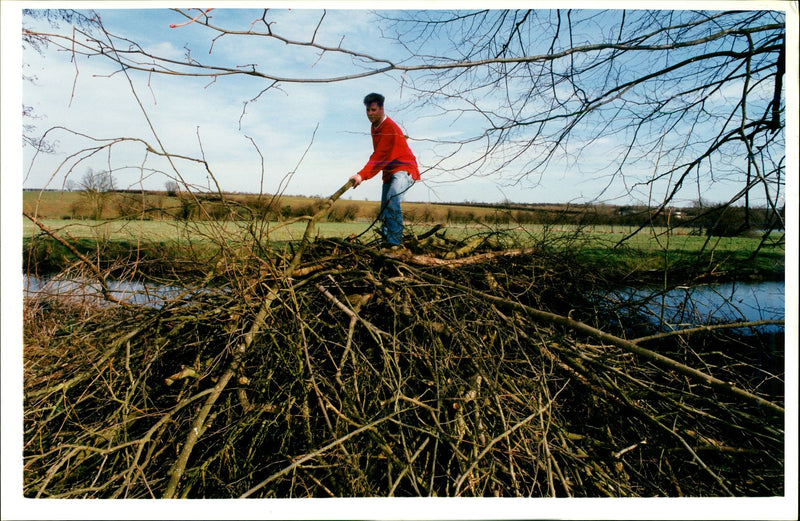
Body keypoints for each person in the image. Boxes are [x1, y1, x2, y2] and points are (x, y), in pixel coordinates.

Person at [349, 93, 420, 250]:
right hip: (389, 172)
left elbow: (380, 156)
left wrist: (362, 175)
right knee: (384, 208)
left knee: (391, 199)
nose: (370, 114)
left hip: (404, 169)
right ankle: (386, 243)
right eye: (367, 110)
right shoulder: (374, 127)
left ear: (381, 108)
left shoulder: (389, 128)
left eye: (373, 110)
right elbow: (380, 155)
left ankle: (394, 244)